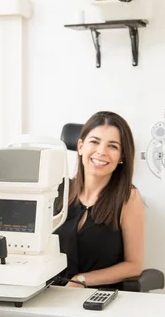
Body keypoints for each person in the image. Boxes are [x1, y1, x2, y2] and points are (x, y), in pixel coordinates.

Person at [54, 111, 144, 289]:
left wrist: (81, 280)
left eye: (113, 146)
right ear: (80, 147)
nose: (101, 152)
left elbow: (134, 266)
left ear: (122, 157)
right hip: (52, 295)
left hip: (100, 299)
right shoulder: (56, 190)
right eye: (94, 142)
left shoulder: (128, 198)